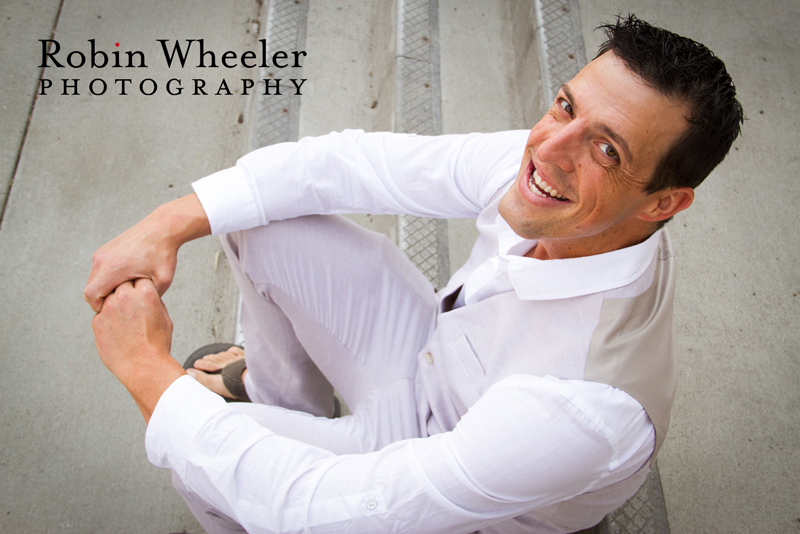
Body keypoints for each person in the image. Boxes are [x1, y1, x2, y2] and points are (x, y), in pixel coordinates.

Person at [86, 15, 743, 534]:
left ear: (665, 203)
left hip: (464, 480)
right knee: (261, 219)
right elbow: (352, 163)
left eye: (608, 148)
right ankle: (281, 396)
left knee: (204, 466)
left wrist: (147, 368)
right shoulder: (552, 170)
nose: (549, 148)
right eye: (567, 105)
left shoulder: (582, 408)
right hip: (428, 351)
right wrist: (164, 224)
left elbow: (318, 504)